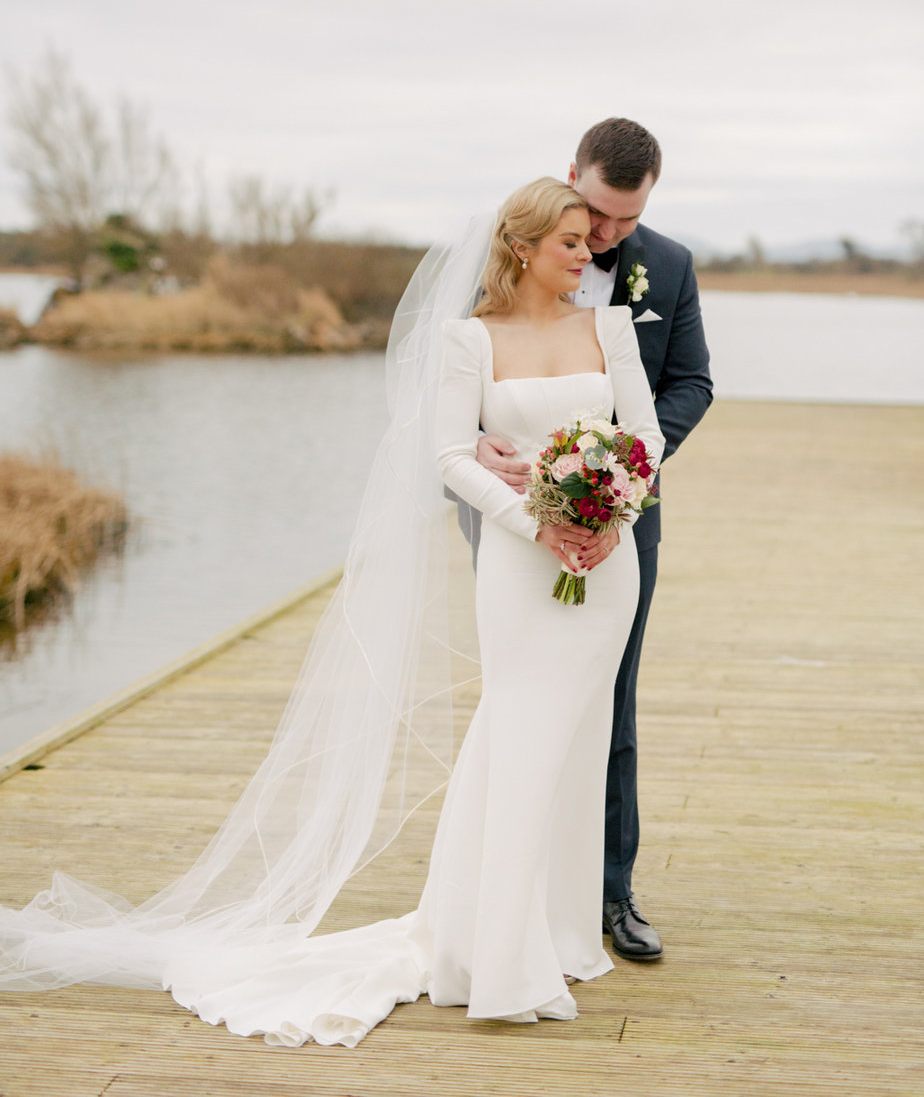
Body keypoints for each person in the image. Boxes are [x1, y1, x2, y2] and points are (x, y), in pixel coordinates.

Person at [0, 177, 663, 1045]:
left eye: (591, 241)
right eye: (573, 241)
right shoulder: (471, 338)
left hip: (605, 564)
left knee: (575, 737)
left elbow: (644, 438)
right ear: (523, 248)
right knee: (517, 731)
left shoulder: (609, 327)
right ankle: (497, 954)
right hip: (519, 559)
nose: (589, 254)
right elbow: (448, 455)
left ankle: (564, 927)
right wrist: (534, 521)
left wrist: (609, 516)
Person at [475, 119, 713, 962]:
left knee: (611, 701)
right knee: (518, 697)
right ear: (570, 172)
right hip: (512, 520)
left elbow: (692, 382)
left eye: (623, 221)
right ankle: (504, 891)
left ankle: (610, 895)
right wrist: (471, 440)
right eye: (595, 217)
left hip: (623, 514)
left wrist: (623, 464)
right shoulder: (504, 246)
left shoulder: (671, 267)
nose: (604, 238)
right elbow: (446, 372)